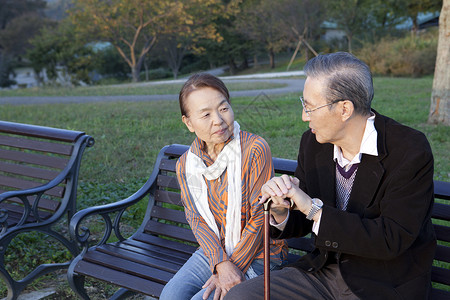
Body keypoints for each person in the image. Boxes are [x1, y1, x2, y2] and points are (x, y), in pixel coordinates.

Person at [224, 52, 436, 300]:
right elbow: (303, 221)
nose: (304, 116)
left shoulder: (408, 150)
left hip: (382, 284)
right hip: (321, 273)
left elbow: (391, 239)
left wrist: (313, 209)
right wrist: (281, 211)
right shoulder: (314, 143)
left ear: (344, 109)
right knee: (240, 297)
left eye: (310, 107)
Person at [160, 73, 288, 300]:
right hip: (216, 252)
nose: (218, 120)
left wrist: (231, 266)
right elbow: (196, 218)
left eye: (223, 108)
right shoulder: (186, 164)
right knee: (170, 296)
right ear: (189, 122)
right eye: (205, 114)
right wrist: (220, 263)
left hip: (261, 253)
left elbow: (260, 216)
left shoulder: (254, 150)